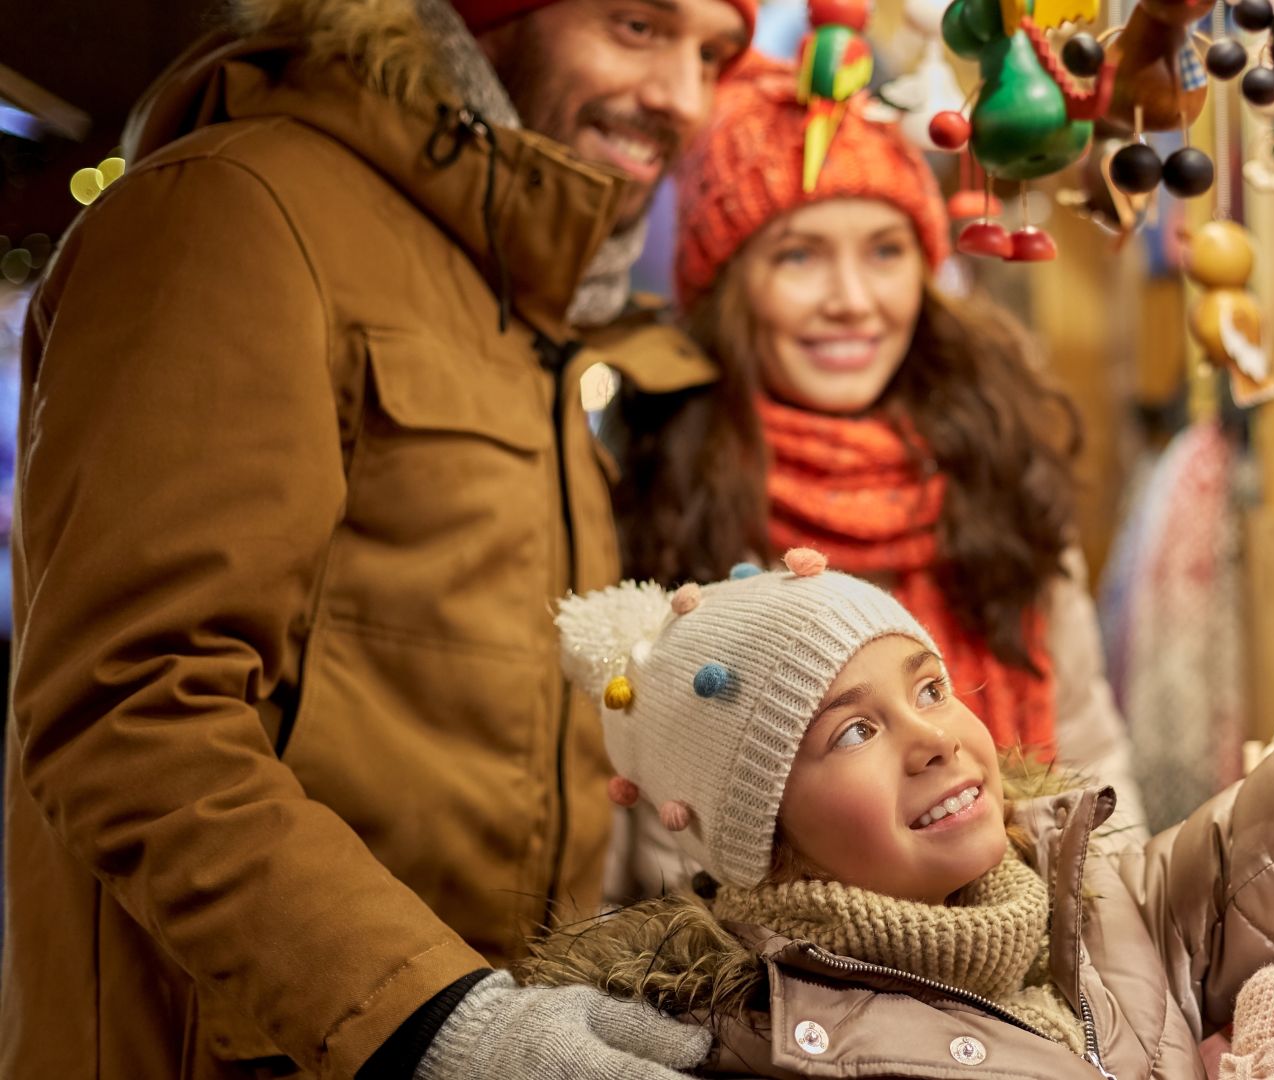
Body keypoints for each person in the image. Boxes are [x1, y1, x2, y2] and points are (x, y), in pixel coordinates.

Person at [2, 0, 756, 1075]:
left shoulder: (518, 296)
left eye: (715, 54)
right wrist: (438, 1019)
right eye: (638, 26)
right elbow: (130, 704)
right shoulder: (236, 209)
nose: (684, 96)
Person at [534, 499, 1274, 1076]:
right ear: (763, 839)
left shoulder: (1105, 908)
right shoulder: (787, 1054)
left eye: (929, 686)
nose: (931, 739)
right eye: (853, 731)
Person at [603, 56, 1144, 894]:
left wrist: (1110, 951)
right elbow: (654, 850)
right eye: (799, 257)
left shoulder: (992, 458)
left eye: (886, 251)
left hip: (1035, 944)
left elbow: (1087, 752)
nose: (853, 299)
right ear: (725, 284)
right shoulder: (663, 492)